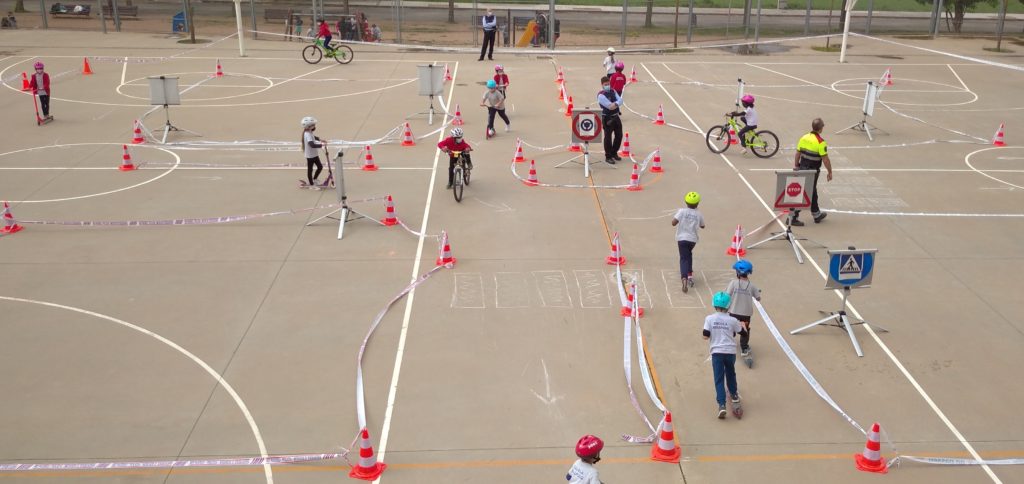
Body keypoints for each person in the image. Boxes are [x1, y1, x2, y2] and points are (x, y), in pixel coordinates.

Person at [704, 291, 747, 419]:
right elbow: (743, 333)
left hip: (717, 353)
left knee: (719, 379)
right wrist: (743, 326)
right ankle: (734, 395)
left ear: (714, 305)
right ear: (728, 306)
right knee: (730, 374)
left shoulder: (709, 319)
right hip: (730, 352)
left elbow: (705, 336)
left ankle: (722, 405)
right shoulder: (733, 320)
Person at [790, 118, 833, 226]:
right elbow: (825, 159)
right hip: (812, 172)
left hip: (802, 168)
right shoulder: (821, 142)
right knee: (805, 193)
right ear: (821, 128)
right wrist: (830, 172)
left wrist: (796, 165)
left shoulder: (804, 137)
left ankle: (816, 214)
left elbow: (798, 153)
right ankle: (792, 217)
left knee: (812, 191)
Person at [725, 259, 761, 358]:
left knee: (731, 327)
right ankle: (744, 348)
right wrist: (757, 293)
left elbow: (727, 295)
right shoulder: (752, 286)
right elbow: (758, 298)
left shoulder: (733, 283)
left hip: (734, 312)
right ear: (749, 273)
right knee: (745, 330)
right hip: (746, 314)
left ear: (737, 272)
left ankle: (728, 343)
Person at [672, 191, 705, 293]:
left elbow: (673, 223)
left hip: (682, 238)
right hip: (692, 240)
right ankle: (689, 274)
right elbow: (703, 226)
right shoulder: (698, 214)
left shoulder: (682, 211)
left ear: (686, 202)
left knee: (683, 258)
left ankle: (684, 278)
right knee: (688, 255)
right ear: (697, 203)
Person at [596, 76, 622, 164]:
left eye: (608, 84)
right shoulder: (601, 95)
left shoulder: (613, 91)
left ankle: (614, 152)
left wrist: (616, 104)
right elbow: (610, 107)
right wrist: (617, 103)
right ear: (602, 85)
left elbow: (621, 100)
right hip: (607, 118)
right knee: (608, 137)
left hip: (616, 116)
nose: (608, 86)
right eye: (605, 84)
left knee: (619, 135)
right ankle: (608, 156)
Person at [301, 116, 325, 186]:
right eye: (313, 125)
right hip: (310, 156)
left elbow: (313, 137)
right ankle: (311, 184)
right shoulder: (307, 134)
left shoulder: (309, 132)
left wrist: (320, 140)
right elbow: (312, 145)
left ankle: (315, 179)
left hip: (314, 154)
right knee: (310, 169)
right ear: (308, 126)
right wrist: (321, 145)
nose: (314, 126)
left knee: (320, 167)